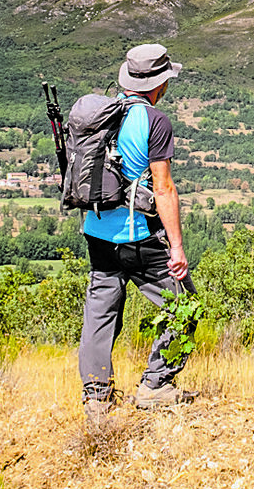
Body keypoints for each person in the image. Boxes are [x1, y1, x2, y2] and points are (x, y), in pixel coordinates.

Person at [78, 43, 196, 416]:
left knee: (100, 313)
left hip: (96, 229)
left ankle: (96, 399)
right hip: (141, 235)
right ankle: (155, 384)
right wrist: (176, 246)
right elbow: (163, 188)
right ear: (159, 84)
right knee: (185, 307)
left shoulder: (102, 114)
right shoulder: (155, 121)